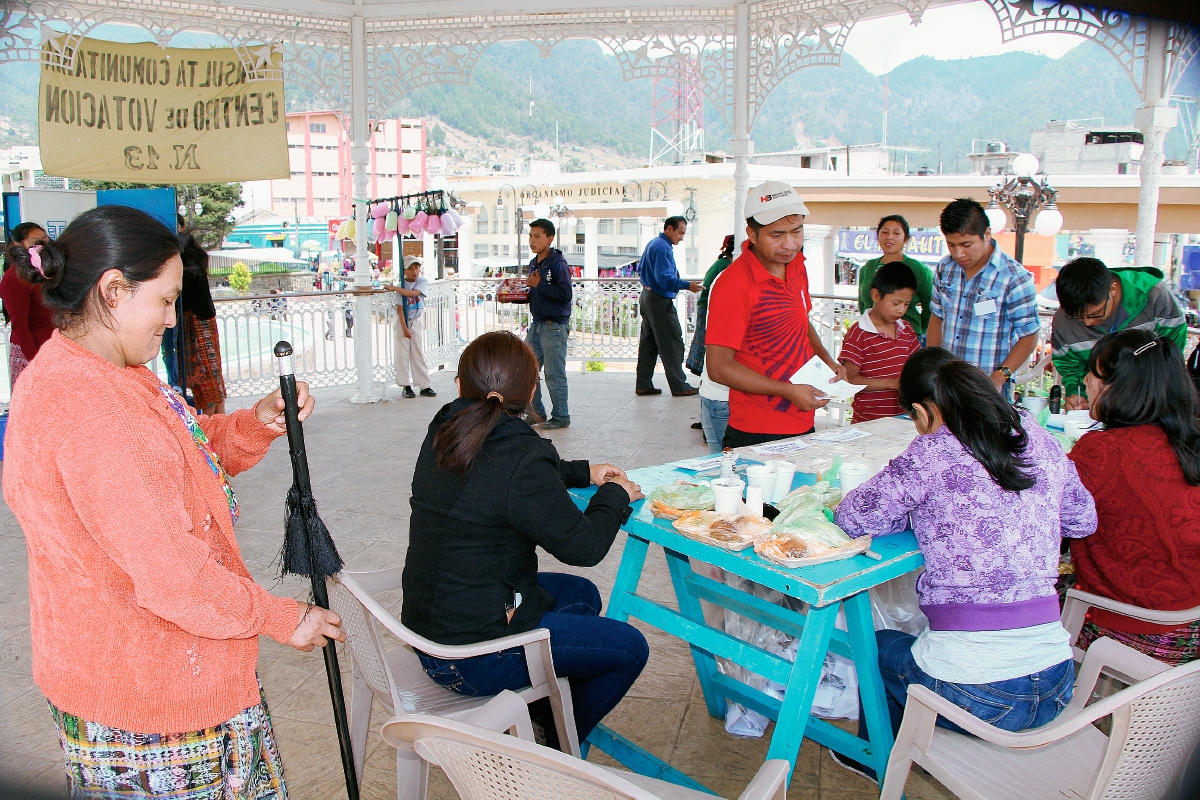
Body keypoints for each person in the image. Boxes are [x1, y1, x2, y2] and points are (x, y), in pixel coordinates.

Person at [2, 205, 344, 798]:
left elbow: (180, 454)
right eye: (163, 299)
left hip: (116, 672)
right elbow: (174, 576)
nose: (170, 317)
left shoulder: (98, 370)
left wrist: (252, 424)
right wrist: (283, 618)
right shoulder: (92, 408)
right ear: (112, 290)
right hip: (154, 702)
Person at [832, 347, 1096, 781]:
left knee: (878, 646)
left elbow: (853, 516)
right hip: (1055, 683)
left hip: (981, 695)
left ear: (922, 411)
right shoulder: (1036, 436)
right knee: (928, 643)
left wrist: (915, 509)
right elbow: (1082, 520)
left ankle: (876, 757)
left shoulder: (929, 451)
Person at [402, 331, 649, 746]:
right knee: (630, 649)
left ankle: (541, 705)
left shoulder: (447, 426)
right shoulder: (518, 455)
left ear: (460, 385)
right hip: (468, 659)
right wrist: (614, 495)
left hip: (430, 629)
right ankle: (555, 741)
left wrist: (581, 471)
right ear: (533, 391)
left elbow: (514, 473)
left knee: (582, 595)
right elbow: (585, 547)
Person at [1068, 330, 1200, 665]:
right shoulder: (1190, 440)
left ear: (1116, 387)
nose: (1085, 380)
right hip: (1191, 625)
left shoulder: (1103, 453)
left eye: (1093, 373)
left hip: (1128, 632)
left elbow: (1045, 522)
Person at [705, 181, 846, 448]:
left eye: (797, 232)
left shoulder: (797, 266)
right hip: (757, 429)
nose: (789, 245)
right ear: (752, 234)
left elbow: (801, 323)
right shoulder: (734, 285)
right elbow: (718, 367)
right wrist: (787, 391)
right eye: (777, 235)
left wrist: (828, 361)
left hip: (802, 418)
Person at [927, 198, 1040, 392]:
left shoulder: (1014, 277)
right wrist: (932, 365)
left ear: (986, 234)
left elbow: (1029, 335)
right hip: (946, 383)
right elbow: (937, 317)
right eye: (951, 245)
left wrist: (1000, 376)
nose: (958, 253)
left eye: (966, 244)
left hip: (988, 386)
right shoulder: (945, 268)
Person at [1051, 257, 1186, 410]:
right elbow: (1070, 367)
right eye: (1078, 317)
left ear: (1112, 289)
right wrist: (1077, 394)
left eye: (1095, 313)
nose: (1088, 323)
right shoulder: (1063, 320)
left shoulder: (1155, 296)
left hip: (1151, 402)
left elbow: (1171, 355)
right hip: (1099, 407)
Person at [839, 261, 922, 423]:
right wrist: (890, 383)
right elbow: (849, 379)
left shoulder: (906, 329)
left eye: (907, 304)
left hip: (903, 418)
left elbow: (917, 367)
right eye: (896, 303)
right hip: (868, 422)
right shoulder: (859, 333)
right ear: (876, 295)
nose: (901, 310)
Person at [635, 216, 701, 397]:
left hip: (647, 296)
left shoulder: (653, 243)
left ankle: (643, 383)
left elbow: (640, 269)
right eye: (680, 232)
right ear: (669, 229)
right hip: (658, 300)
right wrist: (688, 285)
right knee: (672, 342)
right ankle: (679, 385)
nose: (681, 237)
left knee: (649, 343)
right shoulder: (663, 247)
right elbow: (664, 279)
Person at [525, 218, 573, 429]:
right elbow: (535, 291)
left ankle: (561, 417)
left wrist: (540, 285)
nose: (532, 240)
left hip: (554, 326)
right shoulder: (534, 263)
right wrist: (513, 296)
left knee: (554, 374)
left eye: (537, 236)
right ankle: (536, 414)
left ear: (549, 238)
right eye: (530, 236)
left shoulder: (557, 263)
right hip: (538, 324)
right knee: (526, 370)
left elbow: (565, 294)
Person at [856, 215, 934, 341]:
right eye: (885, 232)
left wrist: (918, 330)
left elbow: (930, 305)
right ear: (878, 236)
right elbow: (863, 303)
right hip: (871, 336)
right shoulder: (868, 267)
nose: (890, 237)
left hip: (907, 338)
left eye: (896, 233)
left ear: (906, 239)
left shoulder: (918, 269)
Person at [0, 222, 53, 387]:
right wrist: (33, 361)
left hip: (49, 349)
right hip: (31, 353)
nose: (42, 245)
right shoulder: (14, 278)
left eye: (45, 240)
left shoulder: (43, 273)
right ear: (18, 245)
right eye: (36, 241)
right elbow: (20, 326)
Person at [179, 233, 227, 415]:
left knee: (205, 382)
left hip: (194, 322)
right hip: (206, 318)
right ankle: (219, 427)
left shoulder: (184, 263)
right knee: (214, 380)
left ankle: (208, 431)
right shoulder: (197, 259)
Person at [385, 255, 436, 399]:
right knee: (402, 354)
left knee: (418, 353)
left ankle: (424, 384)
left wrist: (395, 288)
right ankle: (405, 385)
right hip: (403, 322)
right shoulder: (401, 285)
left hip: (416, 321)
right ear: (404, 271)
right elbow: (400, 309)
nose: (414, 271)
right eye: (410, 268)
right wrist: (405, 328)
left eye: (416, 267)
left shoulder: (421, 281)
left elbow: (413, 293)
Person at [686, 234, 736, 377]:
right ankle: (702, 373)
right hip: (709, 306)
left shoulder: (723, 263)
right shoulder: (725, 265)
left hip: (706, 305)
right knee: (706, 342)